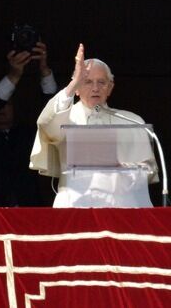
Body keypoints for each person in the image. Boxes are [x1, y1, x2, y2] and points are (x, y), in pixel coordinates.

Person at [29, 43, 158, 208]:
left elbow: (149, 170)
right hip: (75, 207)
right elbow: (45, 124)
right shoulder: (65, 117)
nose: (95, 88)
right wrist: (74, 82)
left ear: (110, 88)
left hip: (122, 209)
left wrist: (126, 169)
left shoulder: (132, 121)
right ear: (76, 88)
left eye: (101, 82)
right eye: (87, 82)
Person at [0, 41, 57, 207]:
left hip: (30, 213)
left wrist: (44, 70)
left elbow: (53, 115)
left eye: (7, 104)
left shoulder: (28, 135)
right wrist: (14, 75)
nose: (2, 108)